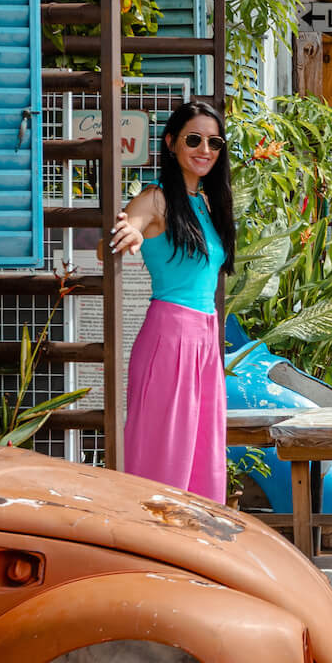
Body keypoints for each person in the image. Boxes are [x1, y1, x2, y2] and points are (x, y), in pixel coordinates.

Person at [108, 99, 235, 503]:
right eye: (194, 139)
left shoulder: (210, 203)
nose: (205, 150)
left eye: (214, 143)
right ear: (170, 143)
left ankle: (193, 552)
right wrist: (127, 232)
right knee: (162, 458)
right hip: (170, 339)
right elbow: (127, 228)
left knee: (203, 458)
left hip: (205, 340)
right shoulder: (155, 199)